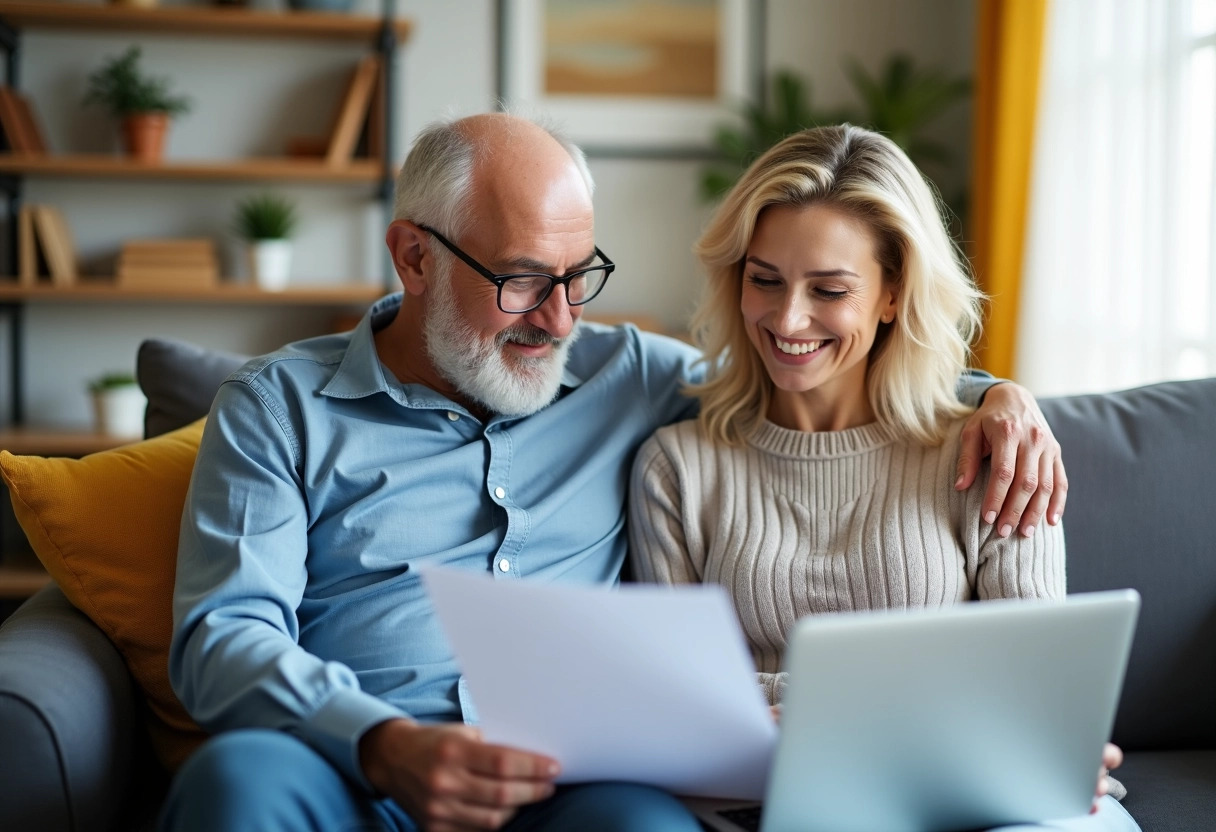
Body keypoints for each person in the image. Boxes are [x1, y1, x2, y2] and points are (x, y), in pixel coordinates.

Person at [163, 113, 1069, 832]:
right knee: (238, 780)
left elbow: (810, 372)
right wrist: (383, 744)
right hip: (350, 768)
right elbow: (222, 636)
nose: (558, 322)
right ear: (413, 257)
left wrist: (995, 396)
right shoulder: (279, 407)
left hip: (566, 785)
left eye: (578, 276)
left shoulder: (624, 373)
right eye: (521, 280)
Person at [627, 124, 1137, 830]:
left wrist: (784, 704)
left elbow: (1037, 686)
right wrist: (910, 706)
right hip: (770, 800)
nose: (787, 318)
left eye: (829, 289)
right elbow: (678, 701)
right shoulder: (677, 467)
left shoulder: (991, 447)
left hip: (970, 789)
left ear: (893, 293)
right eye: (764, 280)